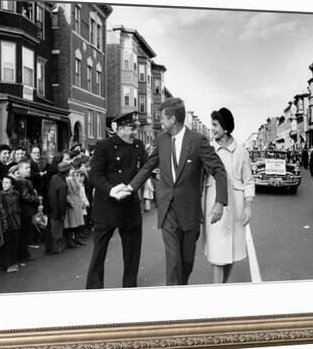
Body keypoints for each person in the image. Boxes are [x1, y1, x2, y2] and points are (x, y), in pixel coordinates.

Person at [122, 98, 228, 286]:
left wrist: (220, 201)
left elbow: (218, 170)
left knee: (186, 261)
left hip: (189, 212)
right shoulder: (162, 139)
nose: (160, 121)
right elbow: (148, 166)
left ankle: (182, 287)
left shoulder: (197, 141)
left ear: (172, 119)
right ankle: (173, 300)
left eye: (162, 118)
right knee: (173, 260)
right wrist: (130, 188)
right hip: (167, 209)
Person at [86, 111, 147, 289]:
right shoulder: (104, 145)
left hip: (130, 207)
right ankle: (94, 291)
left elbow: (146, 169)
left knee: (132, 254)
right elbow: (94, 175)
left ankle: (129, 288)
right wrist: (111, 190)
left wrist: (132, 187)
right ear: (119, 129)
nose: (135, 132)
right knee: (99, 253)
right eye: (131, 128)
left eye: (135, 128)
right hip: (107, 207)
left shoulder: (138, 145)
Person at [202, 108, 255, 283]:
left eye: (215, 125)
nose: (212, 129)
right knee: (217, 253)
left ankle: (222, 286)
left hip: (237, 208)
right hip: (214, 206)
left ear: (225, 128)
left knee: (231, 253)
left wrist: (248, 206)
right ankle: (218, 291)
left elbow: (248, 182)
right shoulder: (208, 150)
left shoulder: (241, 152)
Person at [14, 159, 40, 264]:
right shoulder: (22, 181)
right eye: (26, 168)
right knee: (24, 234)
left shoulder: (24, 180)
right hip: (26, 211)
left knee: (25, 234)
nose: (29, 170)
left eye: (29, 167)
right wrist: (36, 200)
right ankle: (23, 255)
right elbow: (25, 196)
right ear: (19, 170)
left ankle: (24, 254)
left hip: (26, 210)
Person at [0, 176, 22, 273]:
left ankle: (13, 261)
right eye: (3, 182)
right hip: (6, 221)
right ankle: (6, 265)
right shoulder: (0, 194)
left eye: (7, 182)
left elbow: (18, 206)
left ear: (12, 185)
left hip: (15, 221)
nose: (4, 184)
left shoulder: (16, 194)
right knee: (6, 244)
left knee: (14, 242)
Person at [46, 161, 69, 254]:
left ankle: (50, 247)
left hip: (51, 206)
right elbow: (62, 200)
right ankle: (56, 248)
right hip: (58, 209)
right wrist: (62, 213)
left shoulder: (54, 177)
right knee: (57, 230)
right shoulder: (63, 184)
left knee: (51, 229)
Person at [63, 163, 85, 248]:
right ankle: (70, 241)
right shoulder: (67, 179)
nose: (74, 171)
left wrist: (81, 201)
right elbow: (67, 192)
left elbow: (78, 189)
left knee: (78, 221)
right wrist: (70, 201)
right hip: (72, 201)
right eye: (72, 169)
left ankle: (76, 239)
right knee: (71, 222)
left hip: (77, 200)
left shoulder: (74, 178)